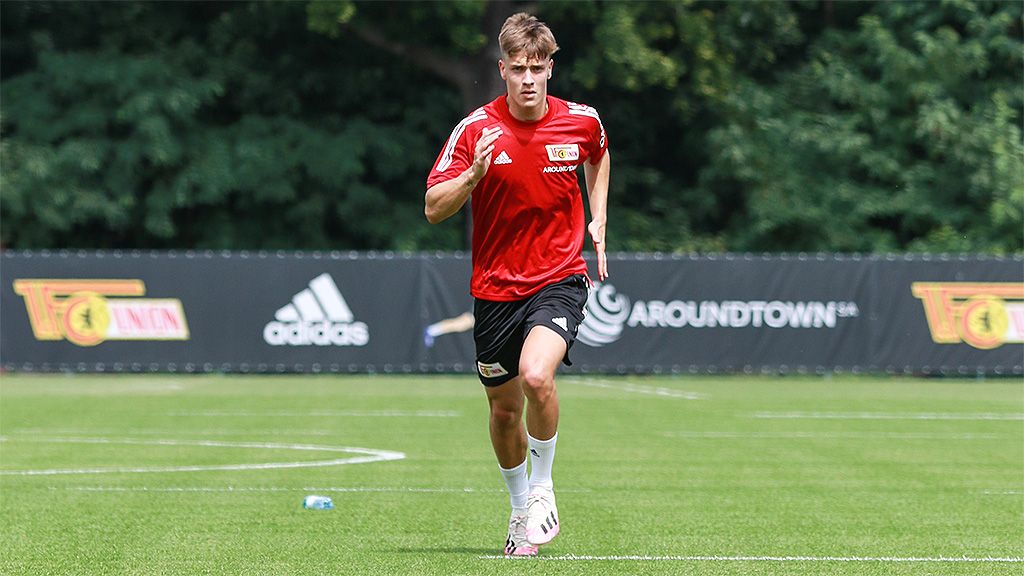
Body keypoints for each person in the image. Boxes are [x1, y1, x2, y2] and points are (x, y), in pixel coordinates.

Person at [424, 12, 610, 557]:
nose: (529, 79)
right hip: (494, 291)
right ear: (502, 69)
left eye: (538, 68)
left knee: (536, 376)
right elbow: (434, 208)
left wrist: (598, 217)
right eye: (518, 69)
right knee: (504, 412)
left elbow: (599, 155)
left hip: (559, 277)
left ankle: (544, 485)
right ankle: (518, 509)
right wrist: (472, 177)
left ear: (551, 68)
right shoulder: (476, 131)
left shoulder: (581, 121)